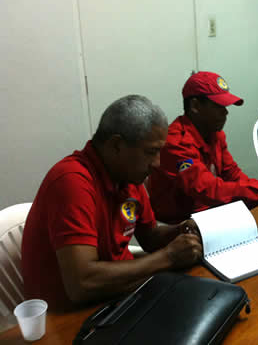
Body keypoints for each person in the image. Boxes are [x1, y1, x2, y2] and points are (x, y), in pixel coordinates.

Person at [21, 95, 203, 311]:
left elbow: (150, 237)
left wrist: (180, 231)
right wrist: (169, 257)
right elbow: (82, 284)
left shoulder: (128, 176)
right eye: (151, 152)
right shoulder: (72, 182)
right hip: (72, 316)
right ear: (116, 145)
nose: (157, 164)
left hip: (120, 294)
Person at [148, 71, 258, 224]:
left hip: (210, 213)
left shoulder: (215, 134)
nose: (226, 112)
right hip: (178, 224)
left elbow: (234, 176)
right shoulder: (176, 143)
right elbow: (210, 190)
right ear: (195, 106)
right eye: (219, 105)